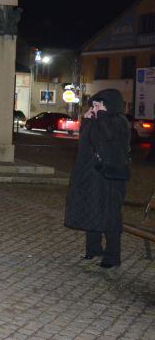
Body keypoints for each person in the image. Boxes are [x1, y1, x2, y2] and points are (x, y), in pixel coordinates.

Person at [65, 89, 130, 269]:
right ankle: (93, 248)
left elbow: (108, 135)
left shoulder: (119, 121)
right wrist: (86, 121)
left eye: (99, 105)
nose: (95, 109)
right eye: (94, 105)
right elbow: (85, 144)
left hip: (110, 176)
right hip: (92, 175)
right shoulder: (97, 120)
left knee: (110, 214)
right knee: (91, 210)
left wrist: (100, 116)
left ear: (110, 105)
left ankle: (112, 256)